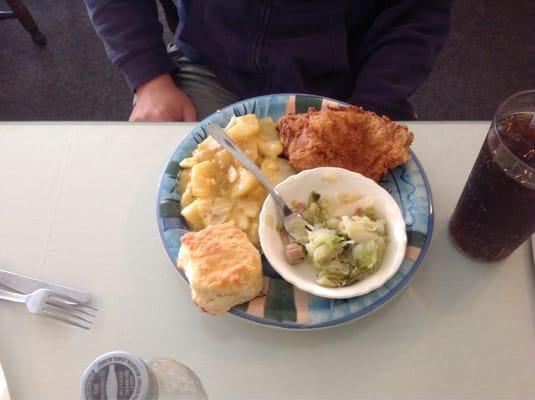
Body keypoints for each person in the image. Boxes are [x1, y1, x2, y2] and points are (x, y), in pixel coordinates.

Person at [83, 0, 452, 122]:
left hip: (346, 89)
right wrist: (149, 79)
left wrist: (375, 105)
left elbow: (416, 15)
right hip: (211, 65)